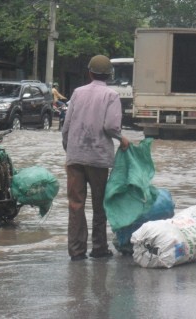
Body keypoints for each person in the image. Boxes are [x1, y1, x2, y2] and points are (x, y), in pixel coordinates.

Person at [62, 55, 130, 262]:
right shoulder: (111, 96)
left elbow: (66, 127)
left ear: (89, 73)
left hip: (74, 157)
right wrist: (121, 138)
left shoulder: (77, 93)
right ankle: (99, 247)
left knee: (76, 204)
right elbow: (111, 126)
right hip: (98, 158)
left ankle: (76, 250)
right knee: (99, 204)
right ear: (109, 76)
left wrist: (70, 150)